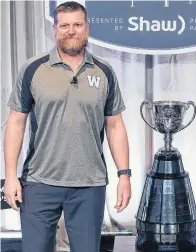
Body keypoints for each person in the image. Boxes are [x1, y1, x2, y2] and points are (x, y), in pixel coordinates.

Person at [3, 2, 131, 252]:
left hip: (89, 184)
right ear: (54, 29)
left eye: (77, 24)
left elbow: (115, 126)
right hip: (39, 182)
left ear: (87, 27)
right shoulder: (33, 69)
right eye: (64, 25)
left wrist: (124, 175)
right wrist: (10, 176)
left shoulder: (104, 71)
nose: (71, 31)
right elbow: (16, 123)